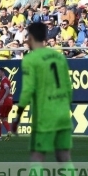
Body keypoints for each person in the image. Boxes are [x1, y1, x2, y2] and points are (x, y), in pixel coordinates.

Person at [12, 22, 74, 166]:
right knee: (64, 157)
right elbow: (68, 87)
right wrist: (66, 108)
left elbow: (28, 90)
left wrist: (17, 117)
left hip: (44, 115)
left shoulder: (30, 59)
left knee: (37, 157)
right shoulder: (59, 57)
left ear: (31, 37)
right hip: (63, 113)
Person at [0, 67, 14, 141]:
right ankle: (9, 131)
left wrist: (2, 100)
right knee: (4, 118)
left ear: (2, 72)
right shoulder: (7, 80)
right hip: (10, 102)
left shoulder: (4, 81)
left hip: (4, 103)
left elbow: (7, 90)